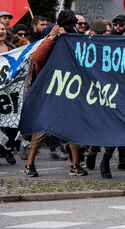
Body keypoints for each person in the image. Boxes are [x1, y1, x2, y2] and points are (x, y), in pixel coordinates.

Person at [26, 11, 87, 177]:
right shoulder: (52, 37)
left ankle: (75, 165)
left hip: (71, 89)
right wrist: (51, 38)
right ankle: (30, 163)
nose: (72, 27)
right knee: (44, 127)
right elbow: (37, 58)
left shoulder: (75, 37)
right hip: (53, 90)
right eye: (69, 25)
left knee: (74, 127)